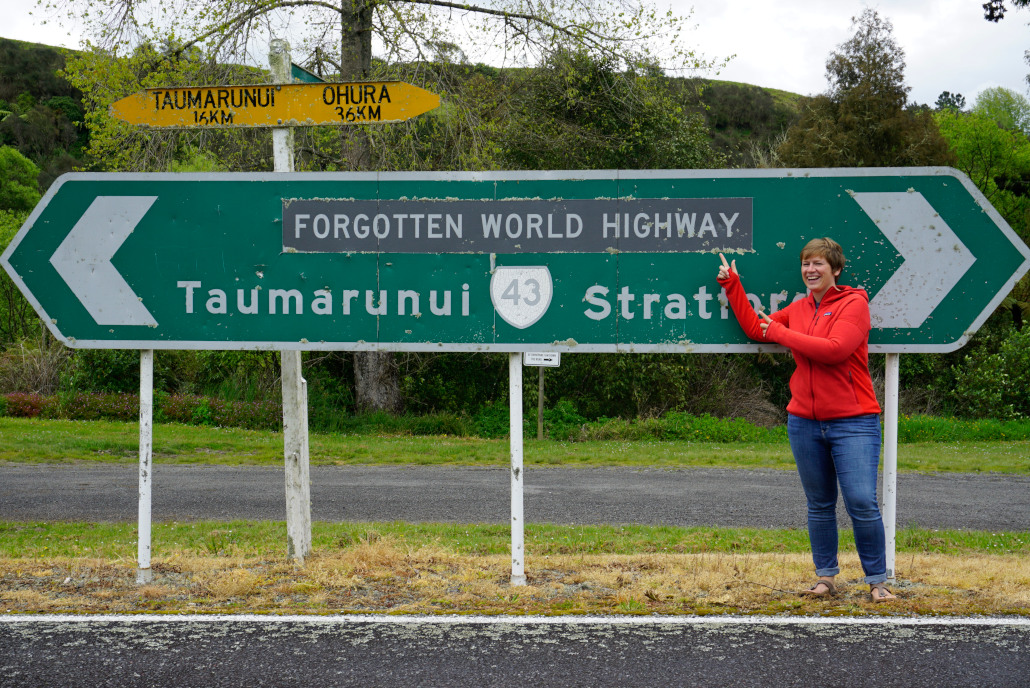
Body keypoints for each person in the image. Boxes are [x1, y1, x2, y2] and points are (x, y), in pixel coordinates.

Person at [716, 238, 896, 603]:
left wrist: (779, 332)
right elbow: (756, 328)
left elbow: (835, 350)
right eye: (806, 264)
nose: (811, 270)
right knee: (819, 503)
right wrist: (733, 285)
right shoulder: (798, 309)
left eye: (819, 264)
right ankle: (825, 578)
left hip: (854, 421)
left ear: (836, 270)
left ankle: (878, 581)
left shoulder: (854, 304)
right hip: (804, 421)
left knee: (861, 501)